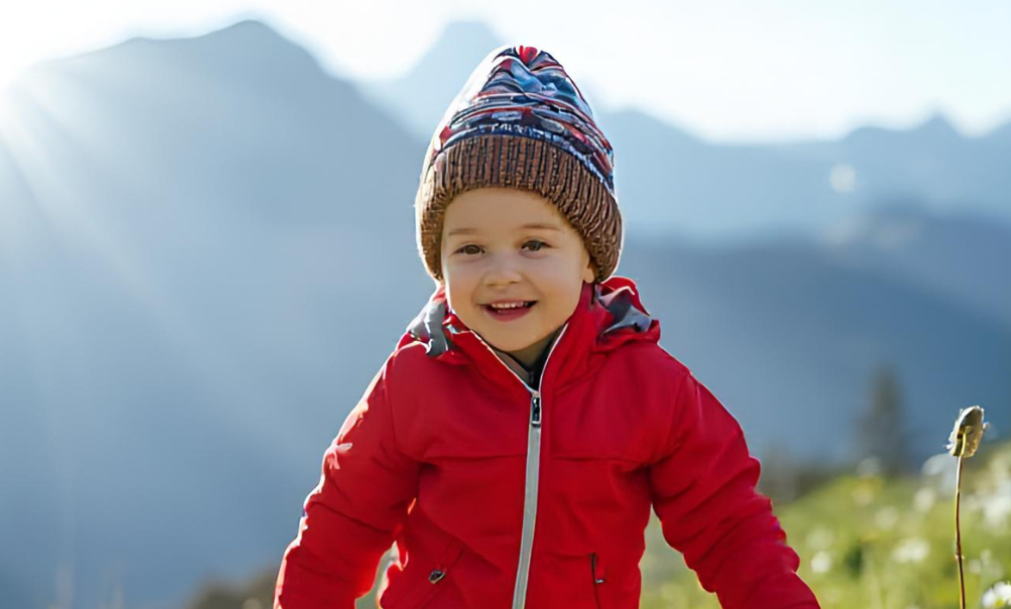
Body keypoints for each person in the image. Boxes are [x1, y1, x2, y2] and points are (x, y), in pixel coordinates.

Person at [273, 46, 819, 609]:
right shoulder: (413, 380)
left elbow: (730, 528)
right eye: (470, 248)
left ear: (589, 260)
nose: (501, 272)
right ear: (439, 261)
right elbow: (338, 530)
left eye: (534, 244)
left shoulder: (649, 388)